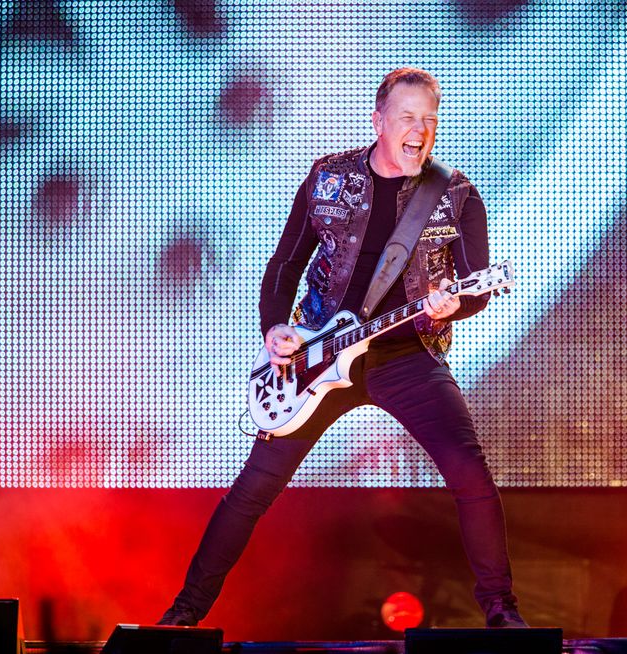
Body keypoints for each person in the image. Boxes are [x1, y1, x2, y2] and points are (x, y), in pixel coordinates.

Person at [159, 67, 526, 629]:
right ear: (379, 122)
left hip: (407, 357)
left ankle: (501, 611)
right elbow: (285, 264)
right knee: (254, 488)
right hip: (318, 356)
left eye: (429, 120)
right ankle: (184, 613)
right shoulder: (328, 177)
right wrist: (274, 329)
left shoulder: (455, 194)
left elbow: (475, 286)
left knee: (470, 474)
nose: (420, 131)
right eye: (407, 118)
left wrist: (453, 305)